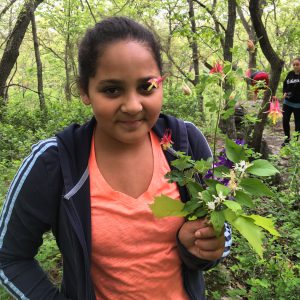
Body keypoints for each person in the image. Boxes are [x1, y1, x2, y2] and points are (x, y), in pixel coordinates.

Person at [0, 17, 231, 300]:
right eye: (112, 90)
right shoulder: (56, 162)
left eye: (147, 87)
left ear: (162, 83)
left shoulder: (185, 144)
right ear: (85, 91)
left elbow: (219, 229)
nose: (133, 106)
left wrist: (202, 247)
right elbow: (9, 257)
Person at [282, 57, 300, 146]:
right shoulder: (290, 74)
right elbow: (285, 84)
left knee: (298, 125)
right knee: (285, 121)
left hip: (298, 105)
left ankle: (295, 143)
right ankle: (287, 139)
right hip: (287, 102)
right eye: (294, 65)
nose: (295, 66)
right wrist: (284, 92)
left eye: (297, 64)